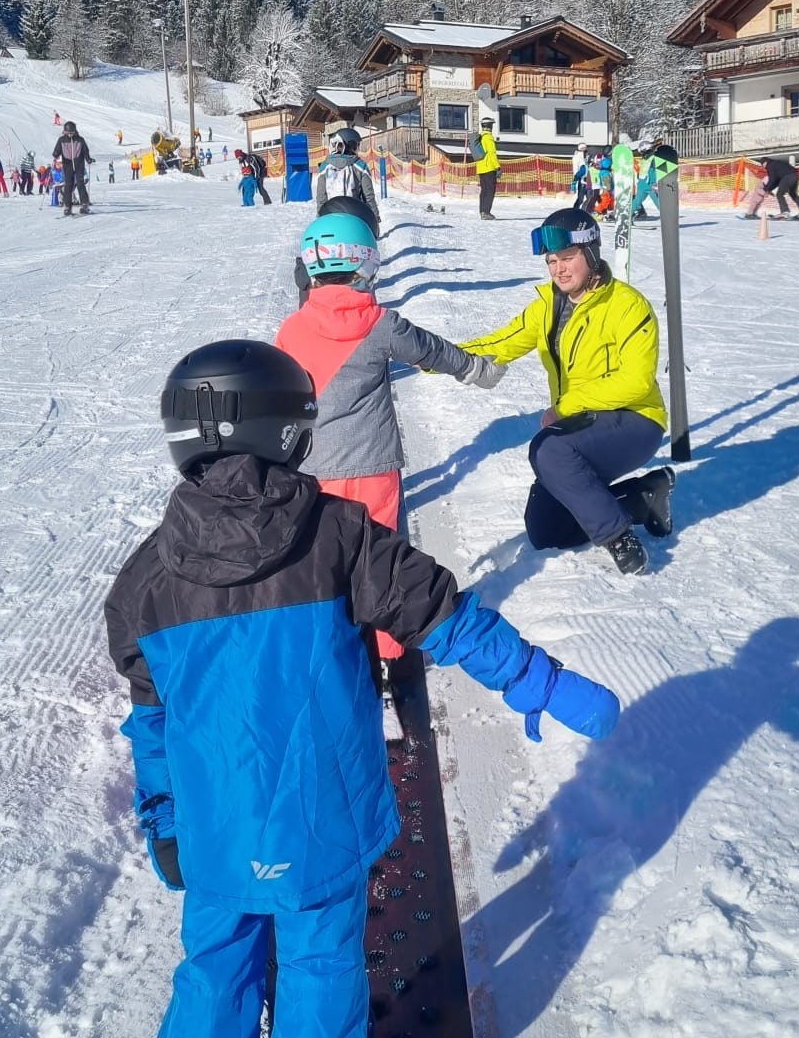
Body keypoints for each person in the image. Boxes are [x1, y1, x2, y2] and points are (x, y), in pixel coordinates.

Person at [104, 338, 618, 1038]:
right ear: (283, 432)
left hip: (218, 844)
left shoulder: (145, 582)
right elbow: (446, 618)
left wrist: (164, 817)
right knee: (317, 1000)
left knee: (212, 991)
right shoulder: (339, 539)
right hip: (323, 835)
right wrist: (538, 681)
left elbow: (152, 719)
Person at [275, 211, 501, 663]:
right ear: (366, 263)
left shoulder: (291, 329)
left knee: (323, 559)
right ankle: (387, 654)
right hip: (373, 470)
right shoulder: (380, 322)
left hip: (314, 471)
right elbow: (430, 350)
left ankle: (330, 650)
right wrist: (474, 368)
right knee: (383, 561)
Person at [462, 208, 674, 576]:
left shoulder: (627, 305)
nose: (559, 269)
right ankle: (642, 499)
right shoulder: (549, 305)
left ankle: (619, 537)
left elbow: (636, 381)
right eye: (552, 261)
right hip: (582, 426)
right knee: (547, 530)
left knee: (549, 449)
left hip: (636, 421)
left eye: (568, 257)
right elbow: (502, 342)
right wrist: (436, 356)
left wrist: (566, 406)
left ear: (590, 253)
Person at [315, 129, 380, 235]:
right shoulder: (360, 165)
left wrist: (320, 218)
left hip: (331, 217)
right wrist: (375, 218)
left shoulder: (325, 166)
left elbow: (321, 197)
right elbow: (368, 196)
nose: (356, 149)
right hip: (355, 217)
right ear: (349, 146)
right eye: (355, 145)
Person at [744, 156, 799, 220]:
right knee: (793, 194)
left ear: (765, 162)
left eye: (762, 165)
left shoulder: (770, 165)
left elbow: (772, 179)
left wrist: (767, 189)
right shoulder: (776, 164)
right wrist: (769, 189)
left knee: (779, 194)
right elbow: (776, 181)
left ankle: (785, 212)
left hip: (788, 176)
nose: (763, 167)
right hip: (795, 175)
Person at [54, 121, 92, 215]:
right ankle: (67, 206)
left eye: (72, 132)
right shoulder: (62, 140)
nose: (70, 134)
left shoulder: (80, 140)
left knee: (80, 185)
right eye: (68, 133)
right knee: (68, 186)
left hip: (79, 164)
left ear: (75, 131)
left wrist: (88, 159)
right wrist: (56, 153)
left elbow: (85, 151)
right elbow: (57, 149)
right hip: (68, 165)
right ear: (65, 132)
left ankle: (84, 204)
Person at [475, 116, 500, 219]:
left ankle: (482, 211)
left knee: (484, 191)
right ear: (490, 126)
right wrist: (497, 167)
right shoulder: (488, 137)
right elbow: (492, 153)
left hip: (481, 168)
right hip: (489, 167)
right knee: (490, 191)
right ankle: (486, 212)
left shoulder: (480, 137)